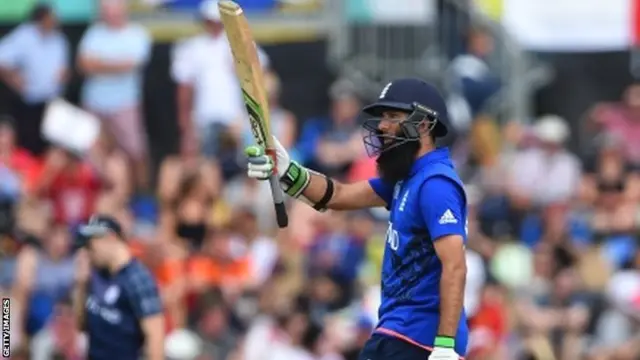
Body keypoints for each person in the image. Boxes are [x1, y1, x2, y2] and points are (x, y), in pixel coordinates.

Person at [246, 78, 469, 359]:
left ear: (423, 125)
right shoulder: (408, 179)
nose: (382, 126)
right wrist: (286, 168)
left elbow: (455, 266)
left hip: (420, 340)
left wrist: (445, 346)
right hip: (397, 333)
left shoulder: (435, 184)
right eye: (382, 117)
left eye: (392, 117)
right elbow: (338, 195)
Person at [72, 214, 165, 360]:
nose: (88, 251)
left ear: (110, 237)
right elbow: (81, 325)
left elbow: (155, 336)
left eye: (90, 244)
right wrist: (80, 285)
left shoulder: (138, 279)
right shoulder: (96, 275)